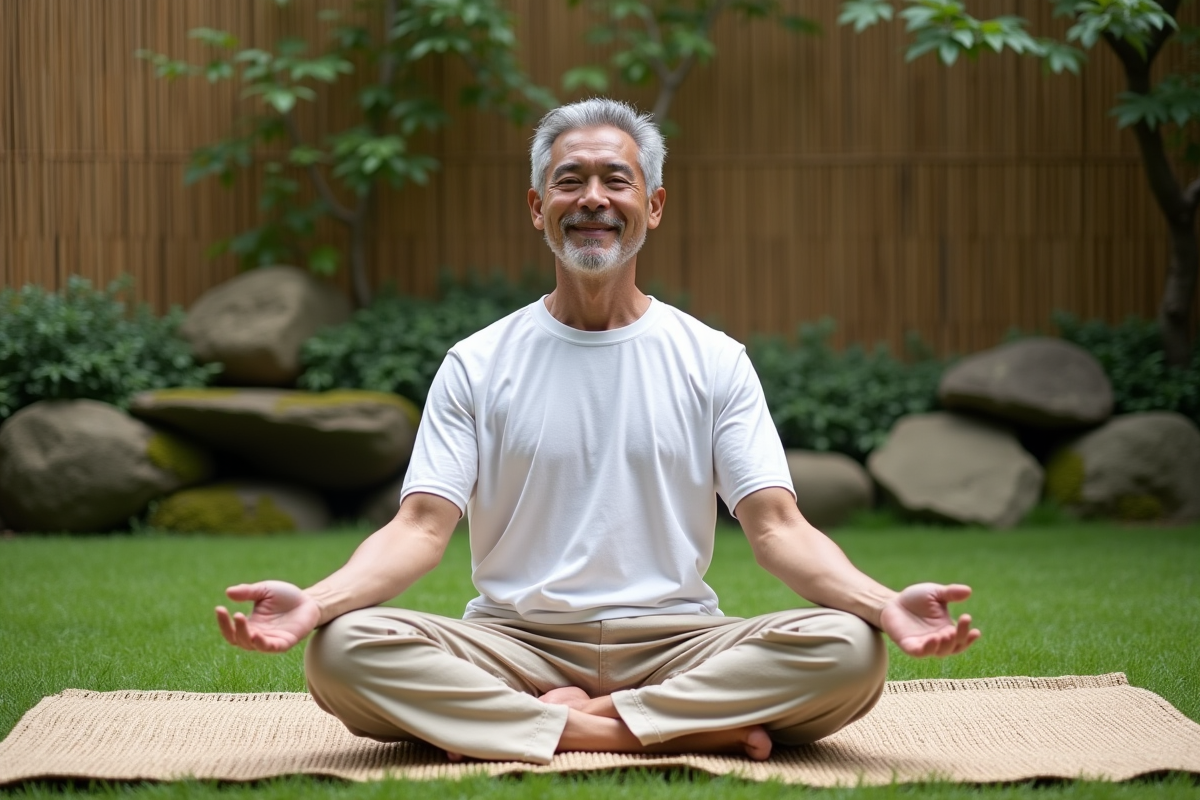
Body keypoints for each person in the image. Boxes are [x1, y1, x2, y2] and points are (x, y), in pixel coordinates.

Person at [215, 98, 980, 765]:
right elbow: (419, 528)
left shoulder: (714, 360)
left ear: (653, 205)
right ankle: (674, 730)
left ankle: (545, 726)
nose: (592, 199)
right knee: (342, 652)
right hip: (515, 642)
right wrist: (319, 601)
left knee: (851, 650)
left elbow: (778, 528)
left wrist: (883, 604)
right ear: (536, 206)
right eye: (569, 180)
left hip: (677, 644)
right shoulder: (477, 363)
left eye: (616, 179)